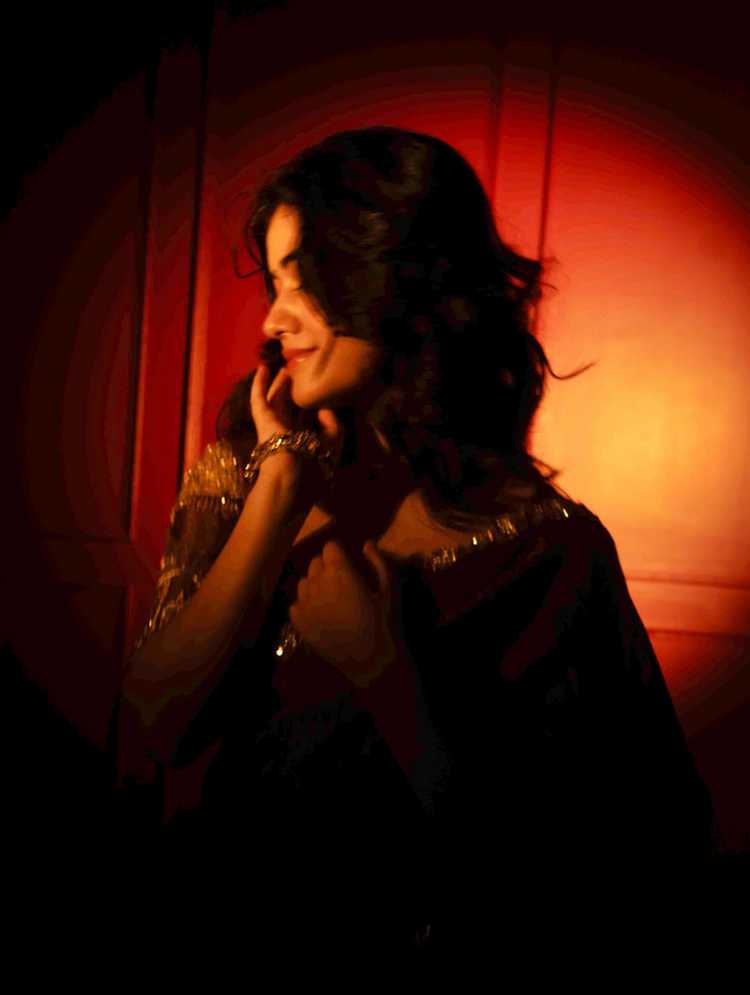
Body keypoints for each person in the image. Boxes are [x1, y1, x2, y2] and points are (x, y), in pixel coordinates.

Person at [115, 126, 720, 973]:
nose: (273, 319)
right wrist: (280, 489)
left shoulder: (553, 552)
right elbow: (156, 723)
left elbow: (619, 861)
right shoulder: (249, 472)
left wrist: (387, 670)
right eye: (275, 285)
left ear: (396, 283)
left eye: (305, 285)